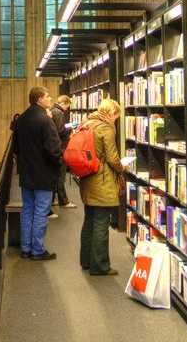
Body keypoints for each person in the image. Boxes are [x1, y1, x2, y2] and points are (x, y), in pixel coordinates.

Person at [12, 86, 63, 261]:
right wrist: (57, 165)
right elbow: (54, 149)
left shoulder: (22, 119)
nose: (50, 99)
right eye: (47, 96)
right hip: (43, 174)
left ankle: (25, 248)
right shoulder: (45, 120)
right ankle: (37, 250)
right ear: (40, 99)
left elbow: (16, 148)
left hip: (26, 174)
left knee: (27, 210)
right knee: (41, 212)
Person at [78, 97, 125, 276]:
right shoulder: (105, 127)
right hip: (102, 180)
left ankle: (86, 261)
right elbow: (112, 157)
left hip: (87, 177)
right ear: (111, 113)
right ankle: (100, 266)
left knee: (89, 220)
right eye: (116, 116)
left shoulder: (88, 123)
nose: (116, 120)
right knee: (101, 223)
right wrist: (122, 167)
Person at [49, 95, 77, 209]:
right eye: (68, 106)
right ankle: (63, 201)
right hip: (61, 146)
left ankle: (52, 200)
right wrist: (70, 129)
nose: (67, 109)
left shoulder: (52, 110)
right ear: (64, 103)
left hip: (55, 146)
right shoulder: (59, 113)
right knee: (61, 175)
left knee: (56, 174)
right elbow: (60, 130)